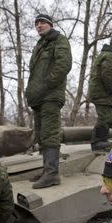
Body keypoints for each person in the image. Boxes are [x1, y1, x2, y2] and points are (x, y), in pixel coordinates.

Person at [25, 13, 72, 189]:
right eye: (36, 23)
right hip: (38, 97)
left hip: (51, 95)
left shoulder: (59, 40)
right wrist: (31, 92)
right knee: (41, 134)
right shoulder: (39, 45)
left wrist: (46, 85)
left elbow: (63, 65)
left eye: (42, 23)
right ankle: (47, 170)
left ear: (50, 24)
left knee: (50, 132)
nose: (39, 26)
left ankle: (52, 174)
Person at [88, 35, 112, 151]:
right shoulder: (109, 56)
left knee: (109, 116)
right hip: (102, 93)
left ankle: (102, 140)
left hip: (102, 93)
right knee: (105, 117)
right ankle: (97, 142)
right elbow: (107, 75)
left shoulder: (108, 55)